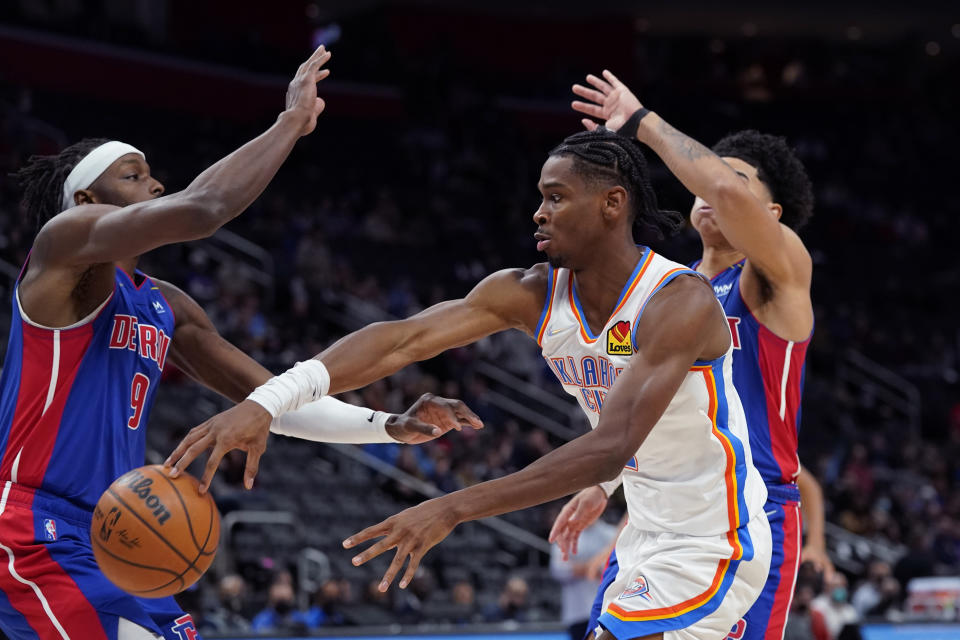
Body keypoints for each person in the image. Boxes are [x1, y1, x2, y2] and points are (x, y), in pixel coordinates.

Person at [170, 104, 778, 638]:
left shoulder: (678, 301)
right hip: (645, 536)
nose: (538, 213)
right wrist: (268, 401)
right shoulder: (531, 293)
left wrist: (452, 507)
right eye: (540, 196)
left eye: (557, 197)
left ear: (612, 204)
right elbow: (399, 341)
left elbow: (609, 448)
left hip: (715, 534)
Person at [0, 45, 478, 640]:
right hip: (32, 525)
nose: (155, 185)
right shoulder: (60, 248)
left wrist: (387, 424)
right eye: (133, 175)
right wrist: (291, 123)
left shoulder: (165, 304)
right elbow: (206, 207)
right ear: (87, 202)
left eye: (151, 173)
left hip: (114, 537)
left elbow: (272, 400)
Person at [550, 71, 833, 639]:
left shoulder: (778, 275)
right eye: (704, 177)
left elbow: (726, 193)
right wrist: (602, 484)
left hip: (754, 518)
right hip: (664, 511)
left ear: (771, 216)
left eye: (734, 179)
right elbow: (633, 400)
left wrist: (641, 123)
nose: (712, 187)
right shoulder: (663, 293)